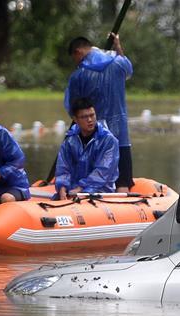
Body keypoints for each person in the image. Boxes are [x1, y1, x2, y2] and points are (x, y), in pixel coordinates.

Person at [64, 34, 133, 192]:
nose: (76, 62)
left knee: (89, 177)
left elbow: (72, 106)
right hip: (120, 133)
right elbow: (128, 71)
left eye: (74, 58)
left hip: (92, 136)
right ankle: (122, 202)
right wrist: (118, 47)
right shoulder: (118, 63)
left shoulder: (79, 75)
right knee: (123, 181)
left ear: (78, 51)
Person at [54, 97, 120, 200]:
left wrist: (81, 188)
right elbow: (63, 169)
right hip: (74, 191)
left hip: (100, 191)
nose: (90, 120)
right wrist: (62, 189)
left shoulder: (109, 141)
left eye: (92, 115)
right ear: (75, 119)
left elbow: (103, 171)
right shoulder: (69, 141)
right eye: (84, 117)